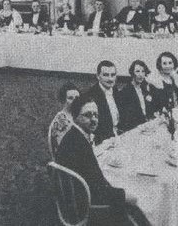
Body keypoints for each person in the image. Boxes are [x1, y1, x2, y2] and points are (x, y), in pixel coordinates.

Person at [56, 96, 136, 225]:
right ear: (75, 117)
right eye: (87, 115)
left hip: (76, 194)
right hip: (83, 203)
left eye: (96, 115)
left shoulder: (75, 135)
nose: (94, 119)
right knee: (136, 198)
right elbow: (96, 188)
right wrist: (123, 195)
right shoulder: (78, 143)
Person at [83, 60, 122, 143]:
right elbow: (91, 128)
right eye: (106, 75)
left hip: (119, 136)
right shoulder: (91, 95)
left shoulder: (115, 90)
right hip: (102, 141)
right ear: (98, 76)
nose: (110, 79)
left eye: (113, 75)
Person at [118, 60, 158, 131]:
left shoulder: (146, 89)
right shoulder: (125, 92)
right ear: (132, 73)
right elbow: (126, 119)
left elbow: (151, 110)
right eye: (137, 71)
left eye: (143, 71)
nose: (141, 74)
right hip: (134, 129)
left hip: (147, 127)